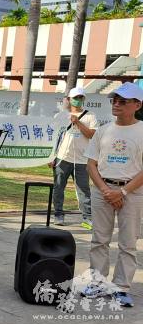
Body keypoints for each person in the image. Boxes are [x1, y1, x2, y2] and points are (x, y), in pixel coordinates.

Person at [82, 82, 143, 307]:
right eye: (114, 100)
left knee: (128, 242)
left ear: (137, 105)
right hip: (103, 190)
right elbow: (91, 163)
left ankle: (121, 288)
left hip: (133, 193)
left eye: (123, 101)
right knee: (100, 239)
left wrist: (123, 191)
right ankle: (97, 282)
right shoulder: (104, 130)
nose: (116, 104)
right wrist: (106, 190)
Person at [50, 87, 97, 228]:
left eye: (81, 97)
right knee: (58, 188)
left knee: (83, 190)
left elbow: (91, 134)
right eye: (75, 97)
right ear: (69, 99)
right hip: (62, 158)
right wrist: (51, 157)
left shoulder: (90, 116)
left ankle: (87, 217)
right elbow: (54, 138)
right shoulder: (60, 116)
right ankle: (58, 215)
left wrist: (77, 122)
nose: (78, 100)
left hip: (82, 160)